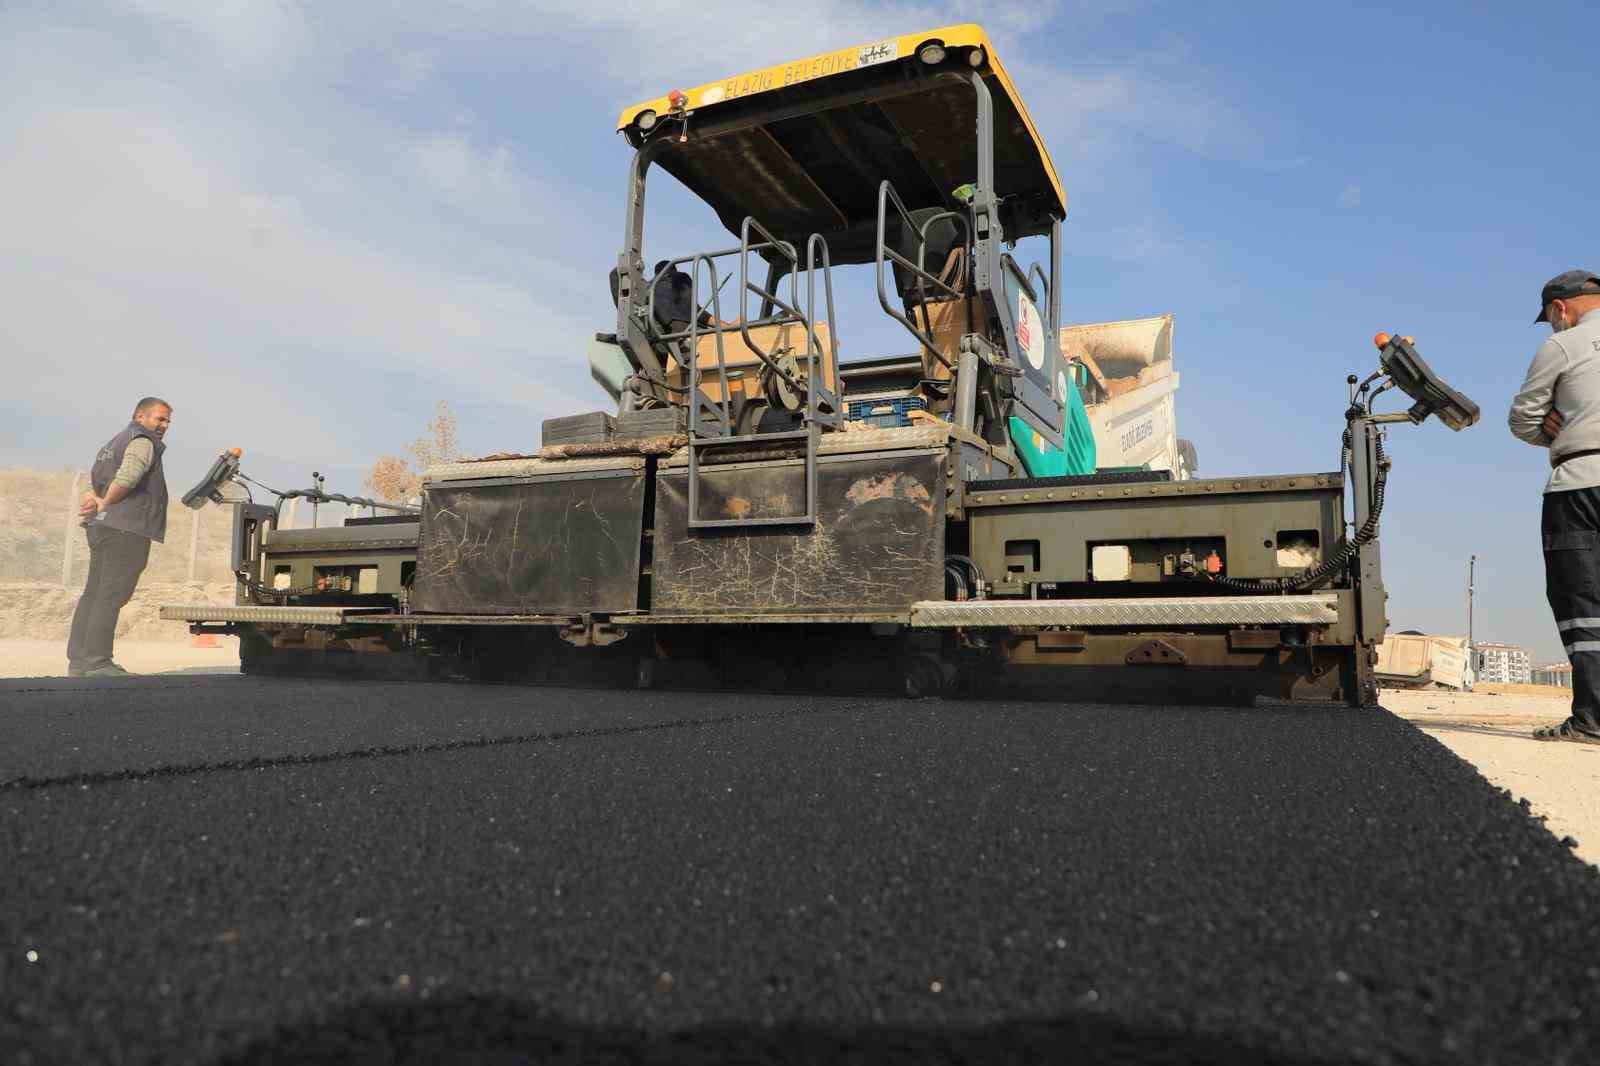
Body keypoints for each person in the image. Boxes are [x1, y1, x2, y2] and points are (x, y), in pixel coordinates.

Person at [1508, 269, 1600, 743]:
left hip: (1580, 483)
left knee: (1581, 601)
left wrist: (1553, 428)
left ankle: (1592, 721)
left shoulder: (1562, 346)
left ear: (1560, 308)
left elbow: (1523, 420)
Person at [65, 397, 173, 677]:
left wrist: (96, 501)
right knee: (110, 595)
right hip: (126, 528)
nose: (164, 425)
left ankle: (79, 661)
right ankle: (98, 661)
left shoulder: (112, 443)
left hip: (103, 527)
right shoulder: (142, 441)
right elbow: (128, 477)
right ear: (140, 416)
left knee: (94, 593)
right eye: (159, 419)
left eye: (167, 421)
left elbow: (100, 480)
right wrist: (105, 502)